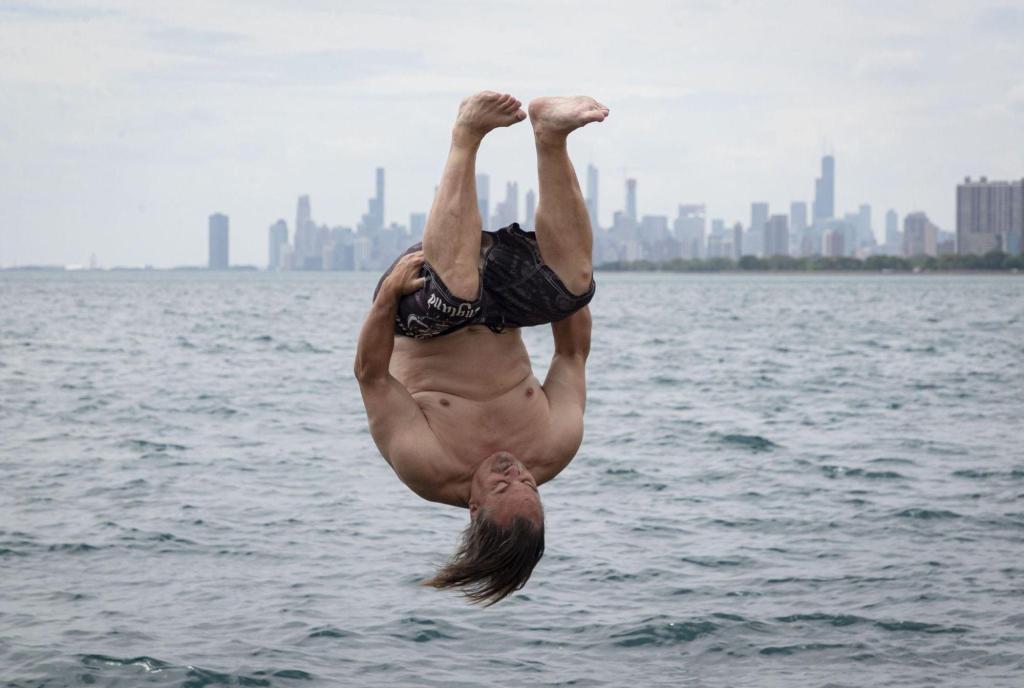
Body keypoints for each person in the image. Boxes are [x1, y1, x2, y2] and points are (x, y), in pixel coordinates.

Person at [355, 91, 608, 605]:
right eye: (530, 485)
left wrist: (385, 299)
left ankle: (466, 135)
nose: (514, 471)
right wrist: (566, 289)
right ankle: (549, 135)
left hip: (423, 307)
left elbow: (372, 377)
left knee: (457, 295)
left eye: (501, 485)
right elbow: (571, 355)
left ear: (474, 508)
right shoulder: (554, 448)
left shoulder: (426, 467)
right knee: (576, 284)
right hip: (501, 309)